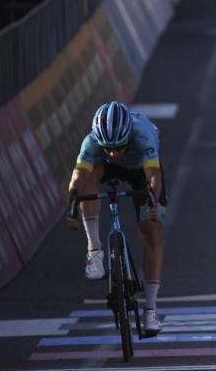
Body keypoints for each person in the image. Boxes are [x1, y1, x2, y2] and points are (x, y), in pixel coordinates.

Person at [66, 102, 166, 336]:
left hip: (141, 169)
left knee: (152, 232)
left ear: (128, 137)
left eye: (119, 147)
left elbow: (154, 176)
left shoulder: (143, 135)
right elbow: (77, 178)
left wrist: (153, 203)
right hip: (108, 169)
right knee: (87, 181)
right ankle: (95, 250)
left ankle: (151, 309)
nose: (114, 153)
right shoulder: (91, 143)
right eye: (108, 147)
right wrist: (72, 209)